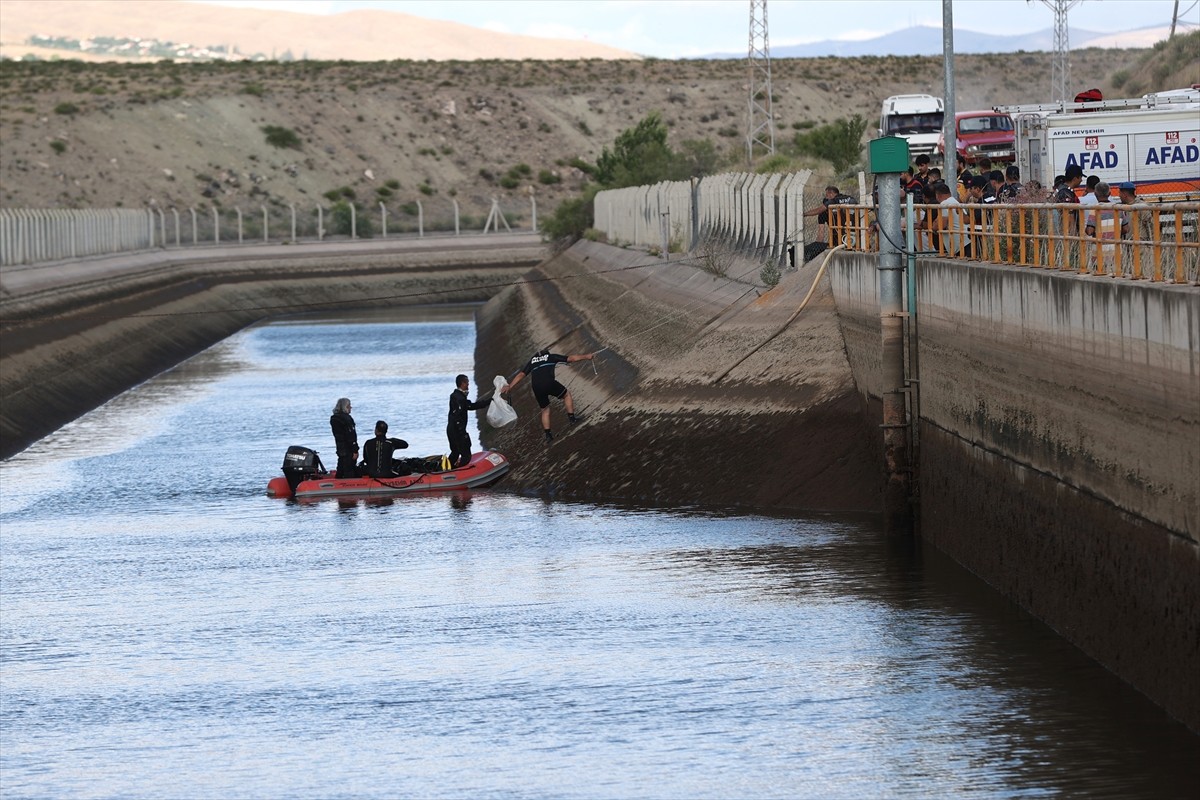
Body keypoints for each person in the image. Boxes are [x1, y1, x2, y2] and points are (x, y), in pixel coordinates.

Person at [502, 349, 596, 443]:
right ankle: (572, 419)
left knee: (545, 410)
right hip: (548, 383)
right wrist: (586, 357)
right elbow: (570, 358)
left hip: (536, 387)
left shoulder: (532, 361)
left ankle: (548, 435)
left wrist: (510, 386)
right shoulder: (551, 357)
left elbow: (521, 374)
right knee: (567, 395)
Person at [447, 373, 490, 468]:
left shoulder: (457, 396)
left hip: (451, 429)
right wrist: (462, 432)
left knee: (455, 452)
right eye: (467, 383)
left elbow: (470, 406)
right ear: (462, 383)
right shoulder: (459, 397)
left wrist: (487, 402)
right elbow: (458, 415)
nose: (468, 385)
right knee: (466, 455)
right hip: (457, 430)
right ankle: (459, 472)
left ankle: (446, 469)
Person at [330, 397, 359, 479]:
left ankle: (338, 481)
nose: (351, 408)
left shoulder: (334, 419)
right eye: (349, 406)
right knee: (349, 469)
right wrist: (355, 450)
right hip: (348, 449)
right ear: (345, 407)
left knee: (341, 467)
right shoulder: (347, 419)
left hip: (340, 448)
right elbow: (351, 436)